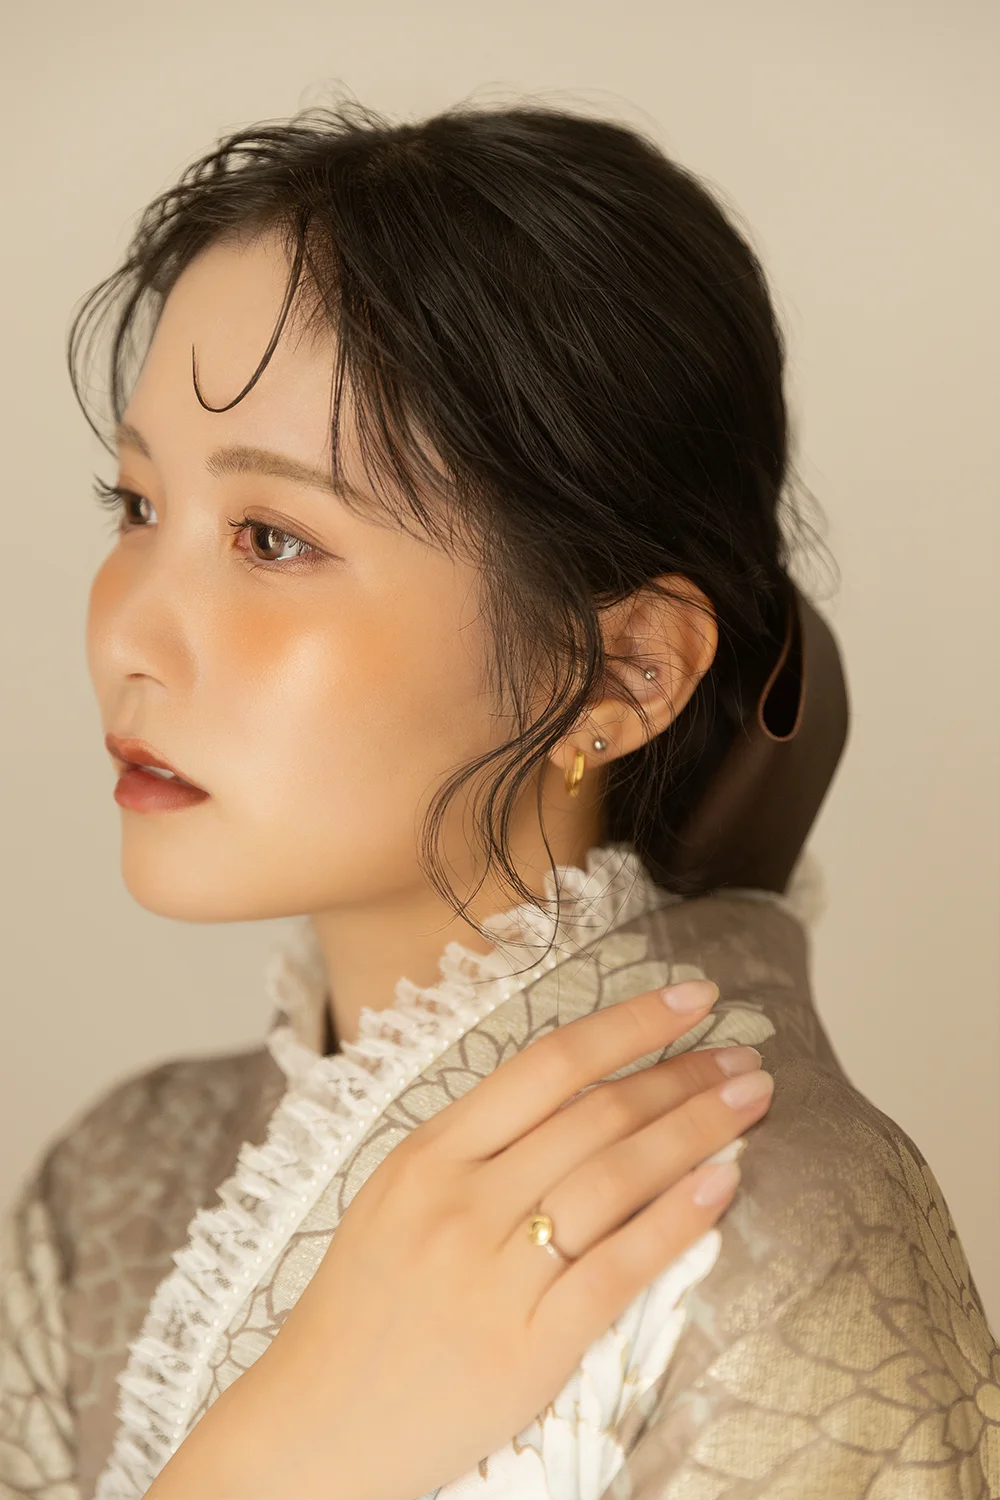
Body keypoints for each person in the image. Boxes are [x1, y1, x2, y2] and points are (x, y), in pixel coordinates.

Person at [1, 98, 996, 1500]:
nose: (128, 637)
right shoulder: (110, 1191)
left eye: (272, 538)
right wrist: (283, 1453)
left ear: (623, 671)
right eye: (137, 506)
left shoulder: (777, 1233)